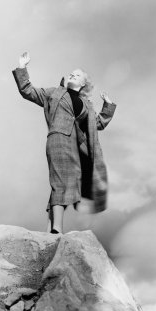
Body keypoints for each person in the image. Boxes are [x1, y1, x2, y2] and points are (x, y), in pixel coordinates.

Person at [12, 52, 116, 234]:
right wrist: (22, 67)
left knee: (70, 184)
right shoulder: (53, 93)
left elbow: (97, 124)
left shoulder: (87, 105)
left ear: (84, 83)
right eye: (71, 73)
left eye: (77, 74)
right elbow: (27, 90)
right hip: (59, 139)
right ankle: (57, 229)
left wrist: (108, 106)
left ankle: (50, 228)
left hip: (78, 147)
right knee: (60, 182)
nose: (72, 75)